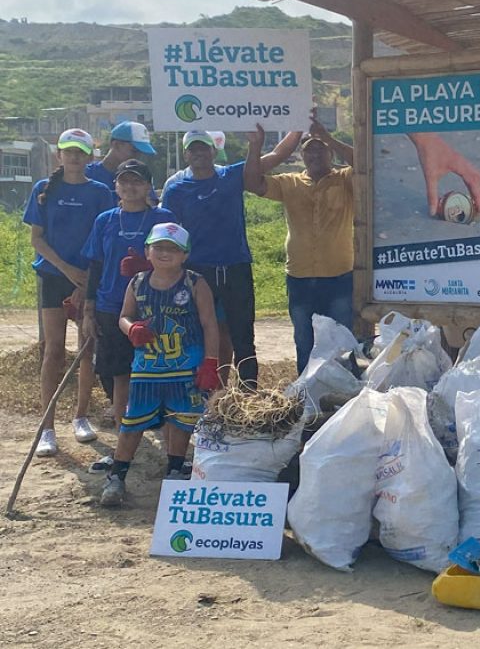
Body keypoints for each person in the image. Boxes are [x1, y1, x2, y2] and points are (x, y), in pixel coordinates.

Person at [162, 129, 297, 387]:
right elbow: (167, 236)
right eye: (193, 148)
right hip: (197, 271)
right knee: (195, 333)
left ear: (214, 151)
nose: (199, 153)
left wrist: (299, 126)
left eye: (204, 147)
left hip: (235, 267)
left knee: (242, 335)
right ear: (185, 154)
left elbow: (277, 156)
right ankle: (195, 392)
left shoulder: (232, 176)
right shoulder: (176, 190)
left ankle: (247, 395)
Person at [100, 223, 219, 506]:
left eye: (173, 249)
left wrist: (211, 362)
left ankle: (175, 469)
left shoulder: (194, 282)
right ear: (148, 251)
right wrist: (132, 329)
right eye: (159, 247)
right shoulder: (138, 282)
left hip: (185, 365)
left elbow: (209, 322)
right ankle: (117, 477)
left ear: (185, 254)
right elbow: (124, 315)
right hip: (147, 368)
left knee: (182, 418)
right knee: (133, 422)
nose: (166, 253)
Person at [23, 129, 114, 457]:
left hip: (89, 279)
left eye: (81, 152)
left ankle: (81, 416)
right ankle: (47, 426)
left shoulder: (101, 192)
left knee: (87, 348)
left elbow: (105, 240)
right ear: (59, 156)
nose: (74, 157)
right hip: (54, 276)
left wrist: (85, 280)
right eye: (68, 151)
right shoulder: (44, 189)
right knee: (54, 351)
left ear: (90, 157)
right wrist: (68, 272)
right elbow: (37, 239)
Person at [243, 119, 358, 374]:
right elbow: (251, 182)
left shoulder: (345, 179)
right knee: (304, 342)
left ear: (330, 152)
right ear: (301, 154)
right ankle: (309, 397)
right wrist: (255, 146)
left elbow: (366, 164)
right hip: (300, 278)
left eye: (321, 149)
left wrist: (328, 136)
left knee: (343, 341)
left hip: (339, 276)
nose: (315, 154)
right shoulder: (289, 182)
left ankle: (347, 397)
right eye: (309, 149)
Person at [81, 160, 175, 455]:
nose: (130, 187)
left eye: (137, 181)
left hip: (156, 306)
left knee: (157, 369)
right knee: (116, 371)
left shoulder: (163, 218)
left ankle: (161, 426)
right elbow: (95, 266)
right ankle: (125, 430)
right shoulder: (105, 220)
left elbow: (179, 258)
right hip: (111, 305)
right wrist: (88, 309)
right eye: (125, 181)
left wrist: (147, 265)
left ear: (148, 186)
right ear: (116, 186)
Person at [86, 121, 157, 192]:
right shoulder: (86, 174)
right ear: (116, 145)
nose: (138, 156)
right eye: (134, 151)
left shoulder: (142, 179)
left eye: (141, 153)